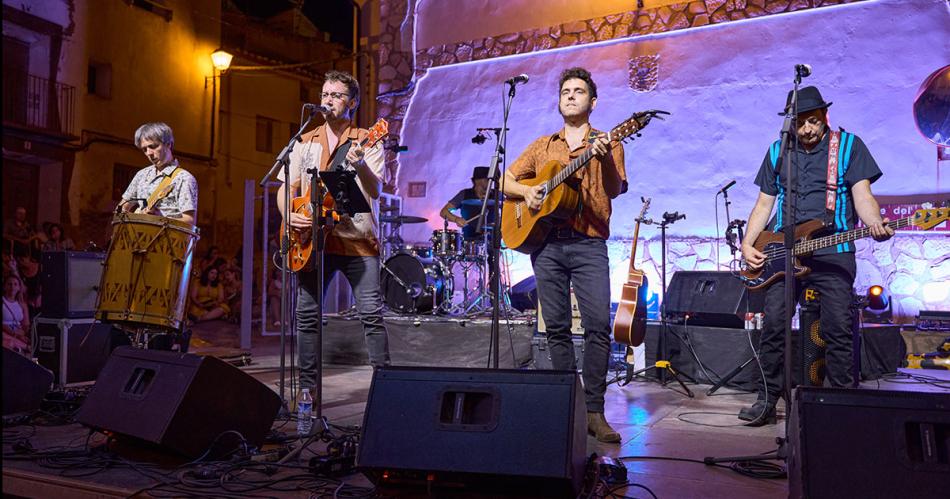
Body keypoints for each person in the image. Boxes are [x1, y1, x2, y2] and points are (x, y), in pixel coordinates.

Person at [739, 86, 894, 425]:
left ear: (825, 116)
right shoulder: (778, 150)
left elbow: (862, 195)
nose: (807, 129)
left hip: (833, 250)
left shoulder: (849, 146)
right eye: (800, 123)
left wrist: (874, 223)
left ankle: (841, 402)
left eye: (813, 121)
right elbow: (764, 203)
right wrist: (748, 244)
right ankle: (767, 400)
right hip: (782, 251)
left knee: (838, 327)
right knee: (775, 328)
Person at [502, 67, 627, 443]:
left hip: (589, 244)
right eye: (565, 92)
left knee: (598, 328)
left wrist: (602, 157)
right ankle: (564, 404)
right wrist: (528, 194)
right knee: (555, 329)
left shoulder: (610, 141)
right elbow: (506, 179)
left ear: (593, 101)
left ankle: (593, 411)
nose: (571, 96)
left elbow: (616, 188)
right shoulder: (543, 145)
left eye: (579, 91)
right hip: (546, 244)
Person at [276, 70, 390, 393]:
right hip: (312, 242)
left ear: (352, 102)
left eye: (336, 95)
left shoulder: (367, 138)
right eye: (325, 94)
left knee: (371, 315)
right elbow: (286, 188)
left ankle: (387, 389)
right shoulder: (305, 141)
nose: (328, 100)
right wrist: (289, 215)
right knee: (307, 316)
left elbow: (376, 190)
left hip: (358, 240)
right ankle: (307, 393)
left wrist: (360, 164)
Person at [119, 122, 198, 225]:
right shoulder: (141, 175)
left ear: (168, 144)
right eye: (144, 149)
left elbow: (190, 221)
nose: (149, 153)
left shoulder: (184, 178)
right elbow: (123, 207)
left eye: (153, 146)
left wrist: (160, 220)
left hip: (167, 239)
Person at [439, 166, 492, 230]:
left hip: (494, 238)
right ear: (477, 181)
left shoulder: (497, 195)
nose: (490, 181)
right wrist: (456, 219)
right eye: (487, 179)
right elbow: (444, 212)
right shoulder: (464, 195)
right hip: (470, 238)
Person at [2, 274, 31, 356]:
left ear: (19, 287)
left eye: (15, 284)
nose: (12, 287)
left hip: (18, 332)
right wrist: (15, 334)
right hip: (6, 332)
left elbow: (26, 325)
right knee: (9, 343)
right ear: (4, 287)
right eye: (9, 284)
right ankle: (25, 347)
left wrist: (22, 333)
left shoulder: (22, 304)